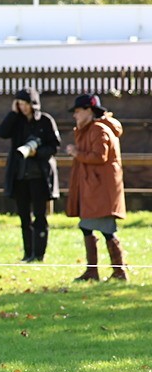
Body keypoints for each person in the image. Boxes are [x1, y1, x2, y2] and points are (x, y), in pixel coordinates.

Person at [64, 94, 129, 281]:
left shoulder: (98, 130)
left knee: (106, 229)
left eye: (77, 111)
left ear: (88, 110)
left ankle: (118, 271)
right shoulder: (91, 129)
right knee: (88, 227)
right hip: (95, 188)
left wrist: (77, 153)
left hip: (100, 190)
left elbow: (100, 156)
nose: (75, 115)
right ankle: (96, 271)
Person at [0, 88, 60, 262]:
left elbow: (54, 147)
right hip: (19, 176)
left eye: (25, 104)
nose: (23, 108)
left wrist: (36, 153)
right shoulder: (17, 121)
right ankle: (27, 253)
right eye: (20, 104)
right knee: (24, 217)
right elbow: (1, 132)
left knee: (40, 216)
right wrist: (12, 113)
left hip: (39, 176)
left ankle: (39, 254)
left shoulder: (45, 121)